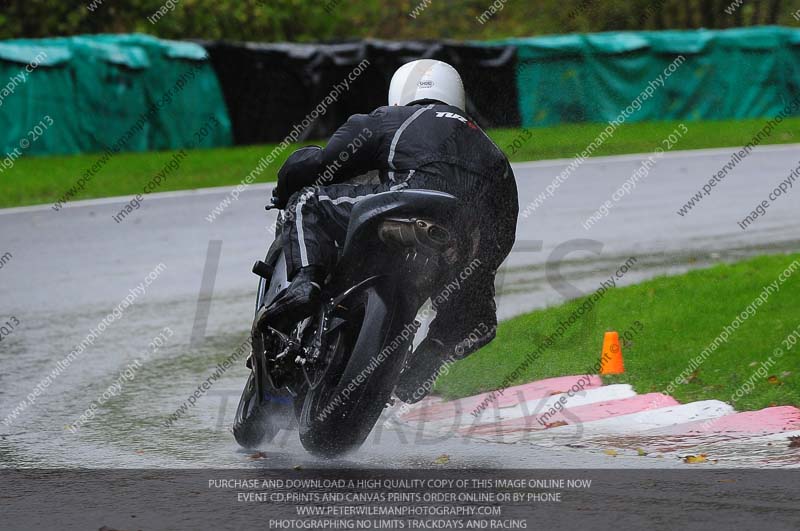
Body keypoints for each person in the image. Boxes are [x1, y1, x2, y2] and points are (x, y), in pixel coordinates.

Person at [257, 59, 518, 403]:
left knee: (307, 202)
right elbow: (502, 232)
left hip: (399, 208)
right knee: (478, 317)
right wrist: (477, 269)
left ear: (401, 93)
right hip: (459, 239)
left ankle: (306, 283)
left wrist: (284, 186)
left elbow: (321, 163)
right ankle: (431, 357)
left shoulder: (391, 117)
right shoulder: (494, 152)